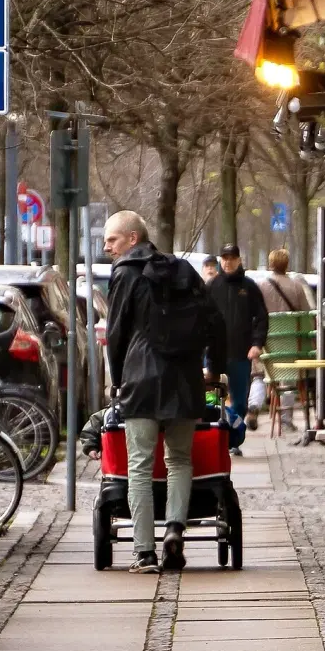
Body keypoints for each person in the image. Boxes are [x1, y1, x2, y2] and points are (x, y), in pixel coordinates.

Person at [104, 210, 225, 573]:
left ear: (132, 239)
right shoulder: (185, 271)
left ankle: (144, 553)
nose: (107, 246)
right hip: (185, 380)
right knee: (180, 460)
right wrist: (213, 370)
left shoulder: (126, 273)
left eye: (112, 239)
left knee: (139, 467)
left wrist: (117, 378)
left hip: (141, 380)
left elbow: (116, 332)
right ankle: (174, 528)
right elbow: (215, 322)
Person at [206, 243, 268, 457]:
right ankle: (215, 436)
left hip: (241, 353)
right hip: (215, 353)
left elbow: (261, 317)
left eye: (232, 258)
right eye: (224, 258)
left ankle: (234, 437)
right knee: (212, 398)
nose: (228, 261)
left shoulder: (249, 287)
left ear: (239, 260)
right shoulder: (212, 286)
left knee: (239, 401)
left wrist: (257, 344)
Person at [254, 248, 311, 432]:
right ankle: (286, 419)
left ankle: (255, 404)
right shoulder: (296, 286)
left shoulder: (260, 286)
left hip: (267, 345)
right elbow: (306, 315)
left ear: (270, 264)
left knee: (260, 375)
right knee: (289, 379)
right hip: (291, 346)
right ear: (287, 264)